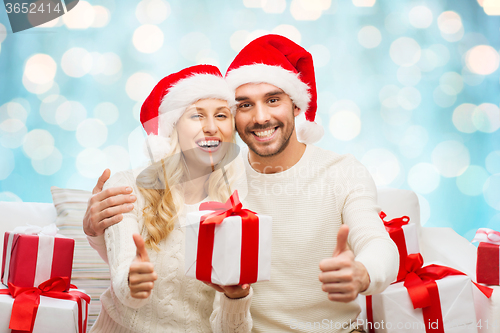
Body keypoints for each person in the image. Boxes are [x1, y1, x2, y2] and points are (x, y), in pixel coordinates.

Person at [85, 35, 399, 333]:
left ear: (296, 106)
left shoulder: (341, 172)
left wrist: (363, 273)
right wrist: (96, 228)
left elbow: (376, 242)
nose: (260, 118)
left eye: (273, 100)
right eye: (245, 105)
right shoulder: (217, 175)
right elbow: (157, 239)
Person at [87, 64, 253, 333]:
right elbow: (123, 276)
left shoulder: (238, 206)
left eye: (221, 116)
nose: (211, 127)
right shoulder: (129, 186)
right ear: (173, 127)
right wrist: (133, 282)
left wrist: (236, 297)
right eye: (197, 116)